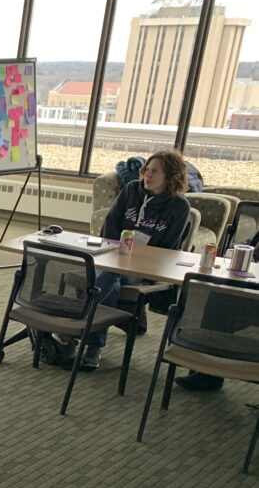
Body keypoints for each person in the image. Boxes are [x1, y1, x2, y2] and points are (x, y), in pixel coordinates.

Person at [53, 150, 192, 371]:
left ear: (170, 177)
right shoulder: (131, 191)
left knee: (109, 275)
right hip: (114, 257)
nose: (147, 175)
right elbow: (109, 227)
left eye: (154, 172)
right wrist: (119, 250)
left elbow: (167, 249)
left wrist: (134, 255)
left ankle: (78, 321)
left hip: (146, 267)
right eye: (146, 169)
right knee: (112, 281)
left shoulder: (180, 207)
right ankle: (94, 347)